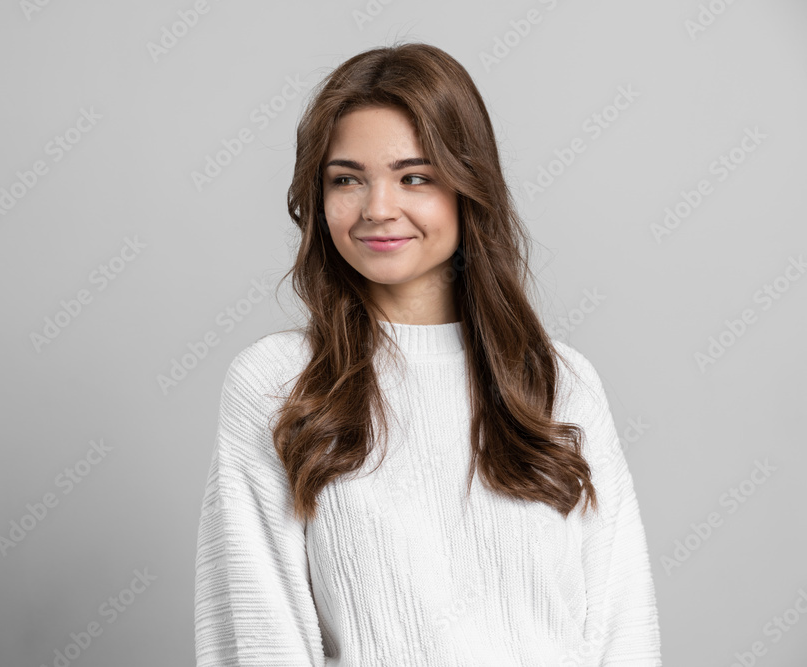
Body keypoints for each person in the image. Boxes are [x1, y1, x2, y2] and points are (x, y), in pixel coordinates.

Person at [194, 41, 661, 666]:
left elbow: (622, 629)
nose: (377, 209)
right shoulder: (278, 383)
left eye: (415, 177)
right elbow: (256, 636)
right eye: (345, 179)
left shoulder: (557, 381)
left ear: (469, 188)